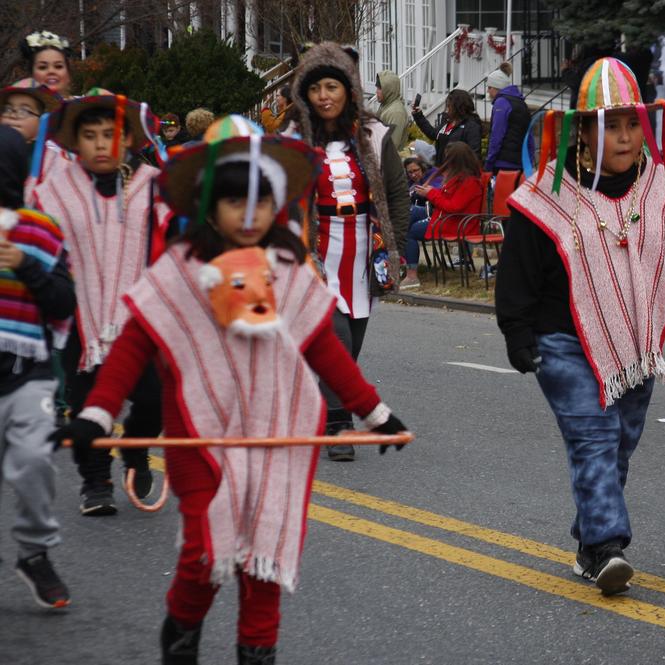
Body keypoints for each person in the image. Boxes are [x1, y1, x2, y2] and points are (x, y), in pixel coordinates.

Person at [51, 115, 409, 664]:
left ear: (277, 205)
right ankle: (182, 634)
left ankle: (256, 655)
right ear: (208, 205)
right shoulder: (180, 268)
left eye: (260, 203)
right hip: (200, 439)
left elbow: (324, 350)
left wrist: (374, 412)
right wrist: (97, 414)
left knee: (261, 563)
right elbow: (133, 346)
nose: (248, 216)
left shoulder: (288, 268)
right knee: (202, 553)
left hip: (276, 438)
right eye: (233, 202)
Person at [495, 57, 665, 595]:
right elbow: (519, 271)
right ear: (584, 130)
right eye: (609, 124)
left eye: (631, 124)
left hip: (636, 346)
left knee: (618, 443)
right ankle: (607, 547)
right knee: (593, 439)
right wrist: (516, 332)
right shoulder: (547, 195)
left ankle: (587, 541)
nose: (623, 137)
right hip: (562, 340)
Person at [31, 92, 171, 516]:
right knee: (89, 402)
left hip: (139, 317)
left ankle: (136, 451)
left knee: (151, 399)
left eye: (110, 135)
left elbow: (172, 240)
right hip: (80, 314)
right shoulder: (57, 189)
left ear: (128, 139)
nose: (100, 144)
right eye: (89, 136)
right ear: (76, 143)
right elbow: (39, 240)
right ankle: (95, 482)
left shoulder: (150, 185)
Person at [290, 42, 410, 462]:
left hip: (363, 248)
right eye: (316, 88)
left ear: (348, 91)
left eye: (332, 87)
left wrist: (395, 246)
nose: (324, 96)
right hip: (316, 248)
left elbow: (396, 193)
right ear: (303, 93)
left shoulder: (374, 135)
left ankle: (322, 406)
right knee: (336, 338)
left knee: (351, 343)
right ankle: (339, 424)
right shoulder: (292, 140)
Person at [0, 126, 75, 609]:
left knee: (31, 460)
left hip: (28, 370)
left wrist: (26, 263)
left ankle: (34, 553)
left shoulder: (41, 230)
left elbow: (64, 303)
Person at [400, 142, 483, 289]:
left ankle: (411, 275)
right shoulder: (461, 177)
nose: (445, 161)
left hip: (455, 223)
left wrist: (430, 193)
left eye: (447, 158)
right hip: (447, 218)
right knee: (408, 214)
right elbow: (449, 198)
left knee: (411, 232)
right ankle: (400, 262)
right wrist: (433, 191)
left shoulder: (469, 181)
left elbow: (453, 207)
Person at [483, 62, 533, 174]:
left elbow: (497, 135)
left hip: (503, 163)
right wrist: (529, 160)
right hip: (520, 162)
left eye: (489, 87)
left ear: (497, 87)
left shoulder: (501, 103)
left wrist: (489, 163)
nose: (488, 91)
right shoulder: (522, 103)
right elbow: (529, 135)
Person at [412, 88, 482, 165]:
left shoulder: (471, 126)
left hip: (457, 171)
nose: (447, 108)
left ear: (459, 107)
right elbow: (433, 134)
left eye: (449, 105)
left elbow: (474, 154)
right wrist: (418, 115)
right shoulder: (447, 121)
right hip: (442, 169)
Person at [0, 79, 61, 144]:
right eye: (7, 109)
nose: (12, 116)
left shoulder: (47, 152)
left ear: (42, 123)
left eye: (24, 111)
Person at [20, 31, 73, 98]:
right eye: (42, 67)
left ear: (68, 72)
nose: (51, 71)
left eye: (58, 66)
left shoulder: (86, 105)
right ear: (32, 73)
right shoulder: (18, 106)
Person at [375, 70, 411, 151]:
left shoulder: (396, 112)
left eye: (380, 88)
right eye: (377, 87)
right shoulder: (385, 105)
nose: (376, 91)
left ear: (389, 89)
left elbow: (392, 145)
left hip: (390, 161)